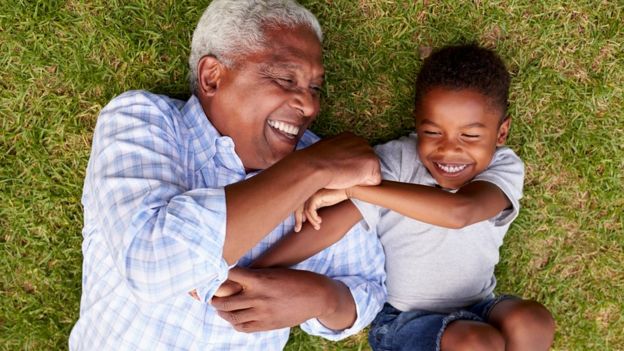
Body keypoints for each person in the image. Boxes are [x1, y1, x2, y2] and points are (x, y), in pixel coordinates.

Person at [68, 1, 387, 349]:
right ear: (212, 77)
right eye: (285, 79)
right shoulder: (142, 121)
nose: (310, 106)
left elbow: (366, 289)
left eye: (315, 89)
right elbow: (153, 265)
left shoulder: (326, 171)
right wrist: (312, 168)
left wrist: (322, 298)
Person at [249, 44, 556, 350]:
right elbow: (331, 225)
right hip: (403, 320)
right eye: (433, 132)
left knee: (533, 321)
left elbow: (460, 212)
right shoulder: (397, 161)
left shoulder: (503, 166)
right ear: (417, 122)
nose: (449, 150)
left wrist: (354, 186)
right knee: (478, 342)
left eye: (471, 136)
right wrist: (256, 271)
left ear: (501, 133)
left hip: (480, 305)